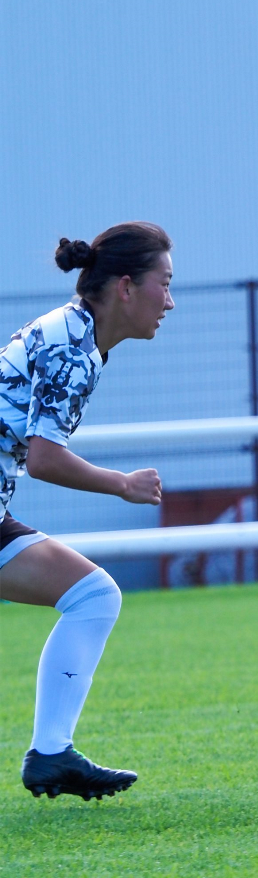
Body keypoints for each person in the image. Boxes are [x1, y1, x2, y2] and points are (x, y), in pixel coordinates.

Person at [0, 222, 175, 799]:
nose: (170, 301)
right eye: (165, 283)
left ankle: (52, 754)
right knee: (94, 596)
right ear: (126, 287)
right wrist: (122, 484)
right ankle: (50, 752)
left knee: (93, 595)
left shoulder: (79, 336)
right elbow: (46, 459)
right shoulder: (75, 348)